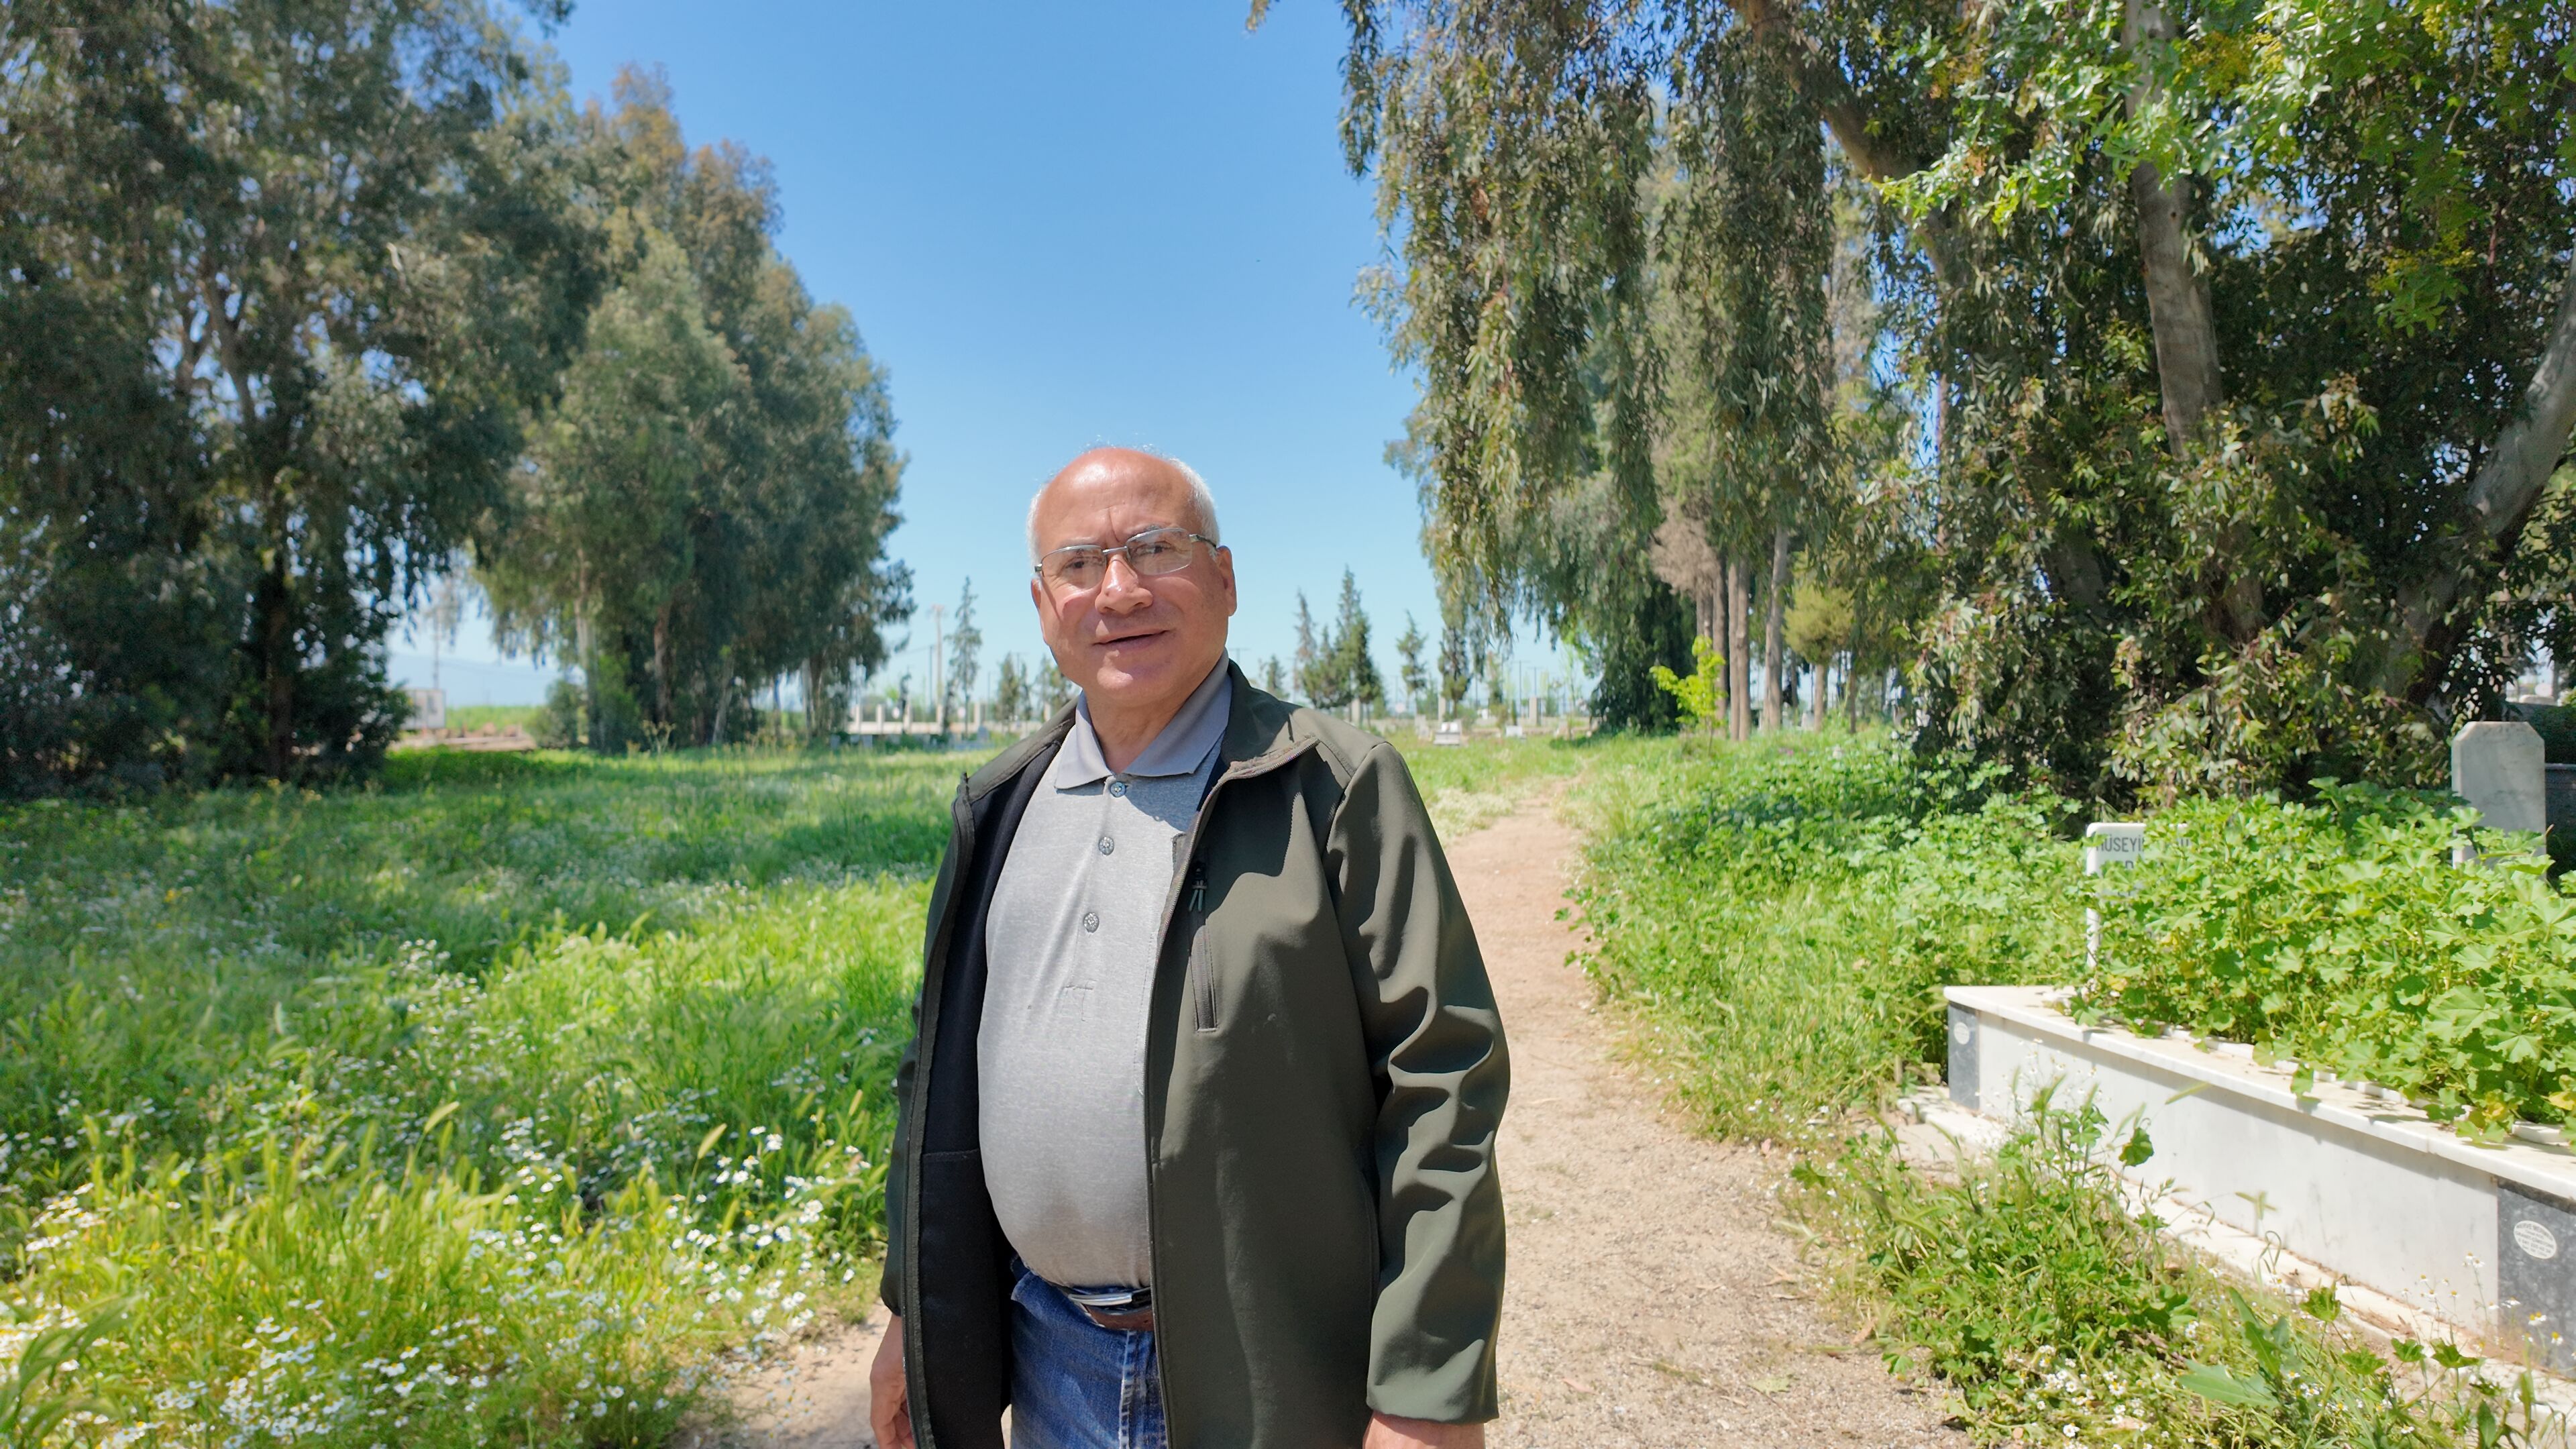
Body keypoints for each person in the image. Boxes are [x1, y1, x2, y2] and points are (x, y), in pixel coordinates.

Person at [868, 447, 1509, 1449]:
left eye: (1156, 548)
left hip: (1274, 1376)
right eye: (1079, 564)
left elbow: (1445, 1079)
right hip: (1047, 1364)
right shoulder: (997, 808)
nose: (1118, 590)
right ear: (1043, 605)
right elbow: (934, 1081)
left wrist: (1425, 1392)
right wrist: (911, 1313)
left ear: (1225, 578)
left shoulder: (1333, 787)